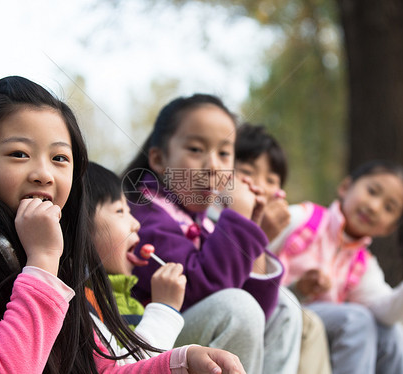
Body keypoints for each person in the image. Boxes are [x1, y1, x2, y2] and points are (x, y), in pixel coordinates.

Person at [0, 76, 246, 374]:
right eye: (19, 154)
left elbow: (100, 369)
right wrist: (43, 260)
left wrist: (182, 362)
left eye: (60, 158)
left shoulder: (51, 261)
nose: (43, 174)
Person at [122, 94, 301, 374]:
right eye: (195, 149)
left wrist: (254, 232)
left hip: (192, 335)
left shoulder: (201, 219)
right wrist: (240, 221)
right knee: (237, 308)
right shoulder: (142, 214)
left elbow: (258, 315)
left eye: (224, 153)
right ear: (158, 159)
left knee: (286, 310)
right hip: (152, 344)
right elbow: (203, 292)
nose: (214, 166)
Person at [268, 159, 403, 374]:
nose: (374, 207)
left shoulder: (363, 264)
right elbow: (254, 257)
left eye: (388, 208)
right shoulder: (302, 219)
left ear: (389, 228)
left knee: (391, 334)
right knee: (358, 319)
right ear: (345, 187)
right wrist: (299, 287)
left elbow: (387, 312)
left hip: (320, 330)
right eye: (372, 191)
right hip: (279, 312)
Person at [232, 123, 331, 374]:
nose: (259, 186)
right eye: (246, 172)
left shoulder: (271, 229)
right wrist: (259, 234)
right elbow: (237, 294)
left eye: (271, 180)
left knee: (308, 322)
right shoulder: (211, 221)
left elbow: (263, 297)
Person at [84, 161, 186, 359]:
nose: (136, 224)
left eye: (129, 211)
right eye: (120, 211)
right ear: (81, 228)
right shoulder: (84, 307)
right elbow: (129, 367)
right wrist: (165, 308)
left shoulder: (132, 304)